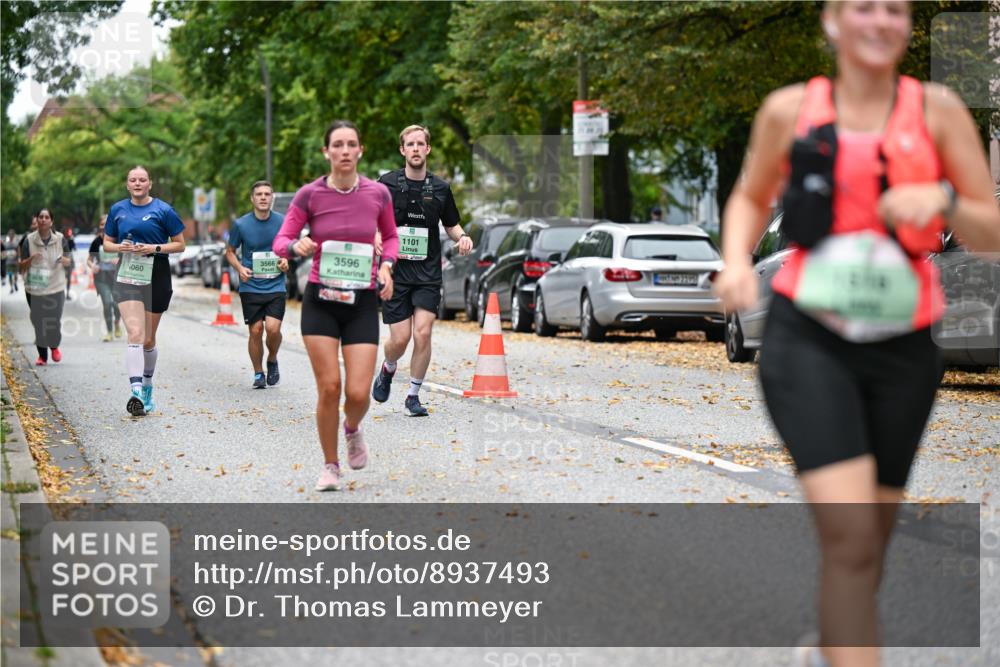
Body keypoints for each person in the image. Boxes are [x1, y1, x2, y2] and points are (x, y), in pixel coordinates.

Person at [712, 2, 1000, 667]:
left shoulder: (938, 111)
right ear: (833, 22)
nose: (881, 20)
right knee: (848, 536)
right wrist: (734, 260)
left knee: (868, 540)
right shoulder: (792, 109)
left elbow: (989, 235)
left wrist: (946, 202)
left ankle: (831, 648)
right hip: (807, 338)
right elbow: (753, 196)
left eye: (894, 8)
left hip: (904, 346)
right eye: (863, 6)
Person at [273, 120, 397, 492]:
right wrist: (296, 247)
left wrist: (387, 266)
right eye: (337, 145)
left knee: (358, 393)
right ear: (327, 152)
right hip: (321, 302)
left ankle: (352, 428)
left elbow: (390, 236)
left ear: (360, 151)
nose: (345, 151)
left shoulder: (378, 194)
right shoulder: (310, 195)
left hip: (361, 302)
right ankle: (330, 465)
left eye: (351, 144)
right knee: (330, 387)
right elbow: (283, 238)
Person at [371, 124, 471, 417]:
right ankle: (388, 368)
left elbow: (451, 225)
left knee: (423, 333)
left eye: (420, 144)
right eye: (410, 144)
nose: (415, 149)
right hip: (395, 273)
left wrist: (463, 237)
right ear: (403, 150)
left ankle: (413, 396)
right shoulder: (386, 184)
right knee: (399, 339)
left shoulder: (440, 188)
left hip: (428, 273)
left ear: (427, 149)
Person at [103, 166, 186, 417]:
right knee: (135, 334)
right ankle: (136, 391)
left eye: (142, 180)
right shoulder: (117, 210)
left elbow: (181, 244)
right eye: (132, 180)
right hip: (128, 275)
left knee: (148, 339)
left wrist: (154, 248)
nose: (137, 183)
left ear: (149, 184)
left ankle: (147, 386)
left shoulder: (163, 210)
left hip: (157, 275)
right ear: (127, 185)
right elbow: (107, 244)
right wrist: (121, 247)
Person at [226, 180, 288, 388]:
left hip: (276, 285)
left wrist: (286, 260)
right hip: (251, 286)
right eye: (259, 194)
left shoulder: (283, 222)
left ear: (272, 198)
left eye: (267, 194)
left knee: (272, 329)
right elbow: (229, 252)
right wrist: (240, 269)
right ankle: (258, 373)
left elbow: (290, 247)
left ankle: (272, 358)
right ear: (252, 198)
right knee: (255, 331)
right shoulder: (241, 224)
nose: (263, 197)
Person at [18, 209, 70, 365]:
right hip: (35, 287)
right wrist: (31, 259)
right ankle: (42, 356)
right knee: (38, 320)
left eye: (47, 217)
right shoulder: (28, 240)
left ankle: (54, 346)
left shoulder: (60, 239)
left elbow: (70, 260)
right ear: (37, 221)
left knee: (54, 319)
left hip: (56, 286)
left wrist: (63, 260)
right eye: (40, 217)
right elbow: (21, 267)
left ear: (51, 222)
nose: (43, 219)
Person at [87, 215, 123, 342]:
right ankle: (109, 332)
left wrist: (120, 259)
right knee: (107, 303)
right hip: (101, 278)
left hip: (116, 277)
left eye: (107, 223)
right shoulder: (96, 242)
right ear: (99, 226)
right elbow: (89, 260)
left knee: (117, 304)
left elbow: (127, 257)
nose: (105, 226)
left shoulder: (118, 240)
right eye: (102, 224)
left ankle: (117, 322)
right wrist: (93, 266)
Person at [18, 216, 38, 304]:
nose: (36, 225)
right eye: (34, 223)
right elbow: (19, 245)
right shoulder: (27, 236)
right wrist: (20, 258)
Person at [62, 228, 77, 300]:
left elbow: (74, 248)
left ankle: (67, 293)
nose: (68, 234)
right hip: (62, 261)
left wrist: (72, 240)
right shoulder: (61, 240)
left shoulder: (71, 240)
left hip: (69, 260)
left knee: (68, 278)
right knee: (62, 278)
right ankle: (62, 293)